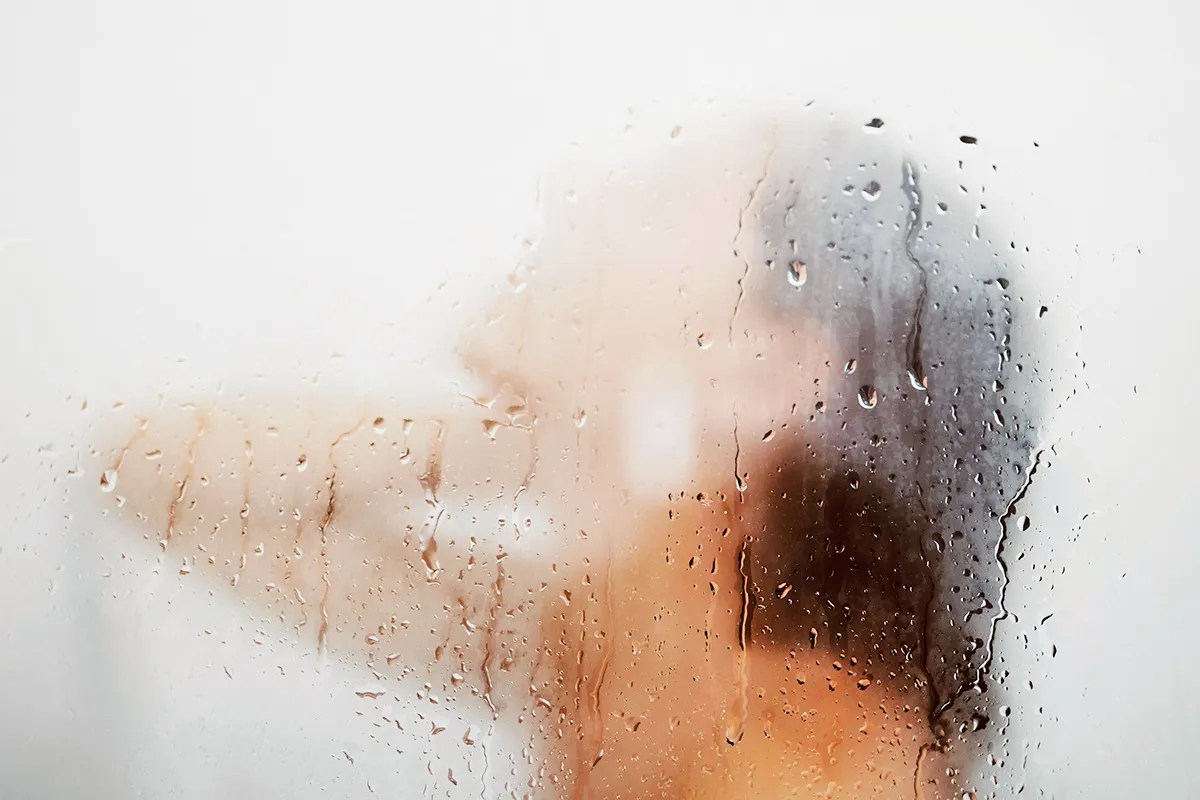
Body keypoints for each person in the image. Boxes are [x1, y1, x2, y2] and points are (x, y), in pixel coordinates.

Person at [91, 112, 1039, 798]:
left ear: (764, 371)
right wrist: (533, 436)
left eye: (664, 196)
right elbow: (151, 472)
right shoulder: (652, 619)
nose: (577, 194)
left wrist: (573, 421)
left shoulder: (811, 765)